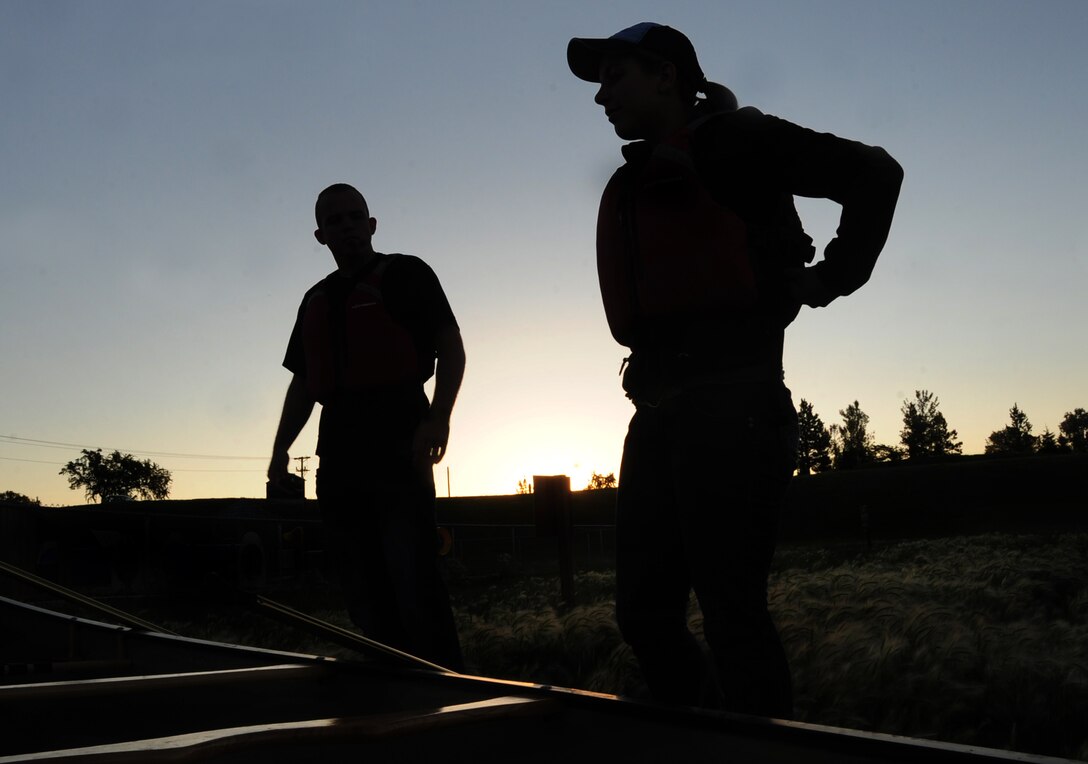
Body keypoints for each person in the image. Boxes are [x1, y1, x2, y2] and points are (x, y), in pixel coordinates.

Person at [567, 23, 902, 717]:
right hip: (656, 413)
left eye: (615, 76)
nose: (601, 96)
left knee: (732, 617)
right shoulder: (641, 172)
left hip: (733, 409)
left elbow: (875, 172)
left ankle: (756, 748)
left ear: (666, 75)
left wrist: (831, 277)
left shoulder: (735, 139)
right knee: (644, 616)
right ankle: (709, 734)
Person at [268, 183, 465, 672]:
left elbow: (451, 346)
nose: (347, 226)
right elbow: (303, 386)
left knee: (413, 576)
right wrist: (277, 452)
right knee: (361, 587)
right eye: (335, 221)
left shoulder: (407, 274)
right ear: (320, 235)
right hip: (338, 448)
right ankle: (393, 687)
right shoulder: (314, 299)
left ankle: (451, 688)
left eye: (356, 216)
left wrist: (439, 416)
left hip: (400, 436)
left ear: (372, 224)